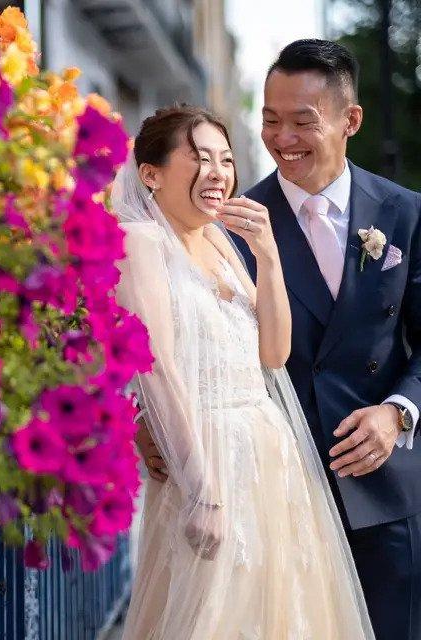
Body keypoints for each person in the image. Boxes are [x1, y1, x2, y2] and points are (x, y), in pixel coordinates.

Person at [136, 39, 421, 640]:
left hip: (381, 487)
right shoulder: (218, 221)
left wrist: (398, 414)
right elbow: (157, 341)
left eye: (302, 122)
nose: (281, 137)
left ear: (351, 121)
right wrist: (148, 424)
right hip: (264, 489)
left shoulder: (405, 214)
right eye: (269, 119)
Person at [116, 105, 374, 639]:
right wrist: (200, 488)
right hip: (206, 457)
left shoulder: (218, 240)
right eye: (200, 158)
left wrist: (269, 255)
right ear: (151, 173)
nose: (218, 173)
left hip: (269, 455)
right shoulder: (140, 242)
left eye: (226, 160)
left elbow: (274, 353)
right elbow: (156, 368)